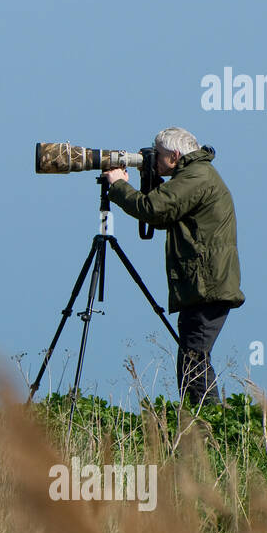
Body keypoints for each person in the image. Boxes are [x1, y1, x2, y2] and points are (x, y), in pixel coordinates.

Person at [100, 127, 244, 406]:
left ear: (175, 156)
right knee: (192, 362)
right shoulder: (195, 174)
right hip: (203, 284)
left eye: (159, 156)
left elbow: (152, 209)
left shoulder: (196, 177)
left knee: (194, 364)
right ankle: (208, 428)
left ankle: (210, 428)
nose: (153, 160)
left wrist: (118, 185)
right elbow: (162, 215)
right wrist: (148, 181)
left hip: (206, 286)